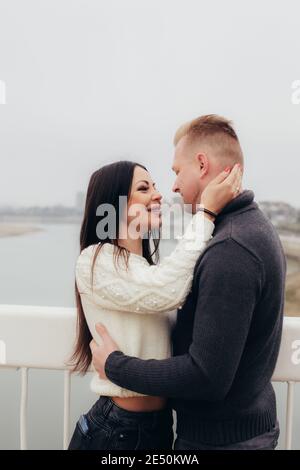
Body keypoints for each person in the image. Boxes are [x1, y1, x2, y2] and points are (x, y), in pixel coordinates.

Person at [91, 114, 285, 450]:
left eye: (176, 172)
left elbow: (206, 377)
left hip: (222, 441)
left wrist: (114, 366)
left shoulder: (231, 249)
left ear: (201, 164)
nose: (174, 187)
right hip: (235, 431)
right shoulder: (249, 229)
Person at [67, 157, 242, 450]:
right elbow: (167, 289)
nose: (159, 194)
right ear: (116, 202)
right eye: (144, 188)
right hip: (117, 430)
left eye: (156, 187)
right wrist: (207, 213)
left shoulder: (144, 268)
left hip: (157, 427)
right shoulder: (94, 260)